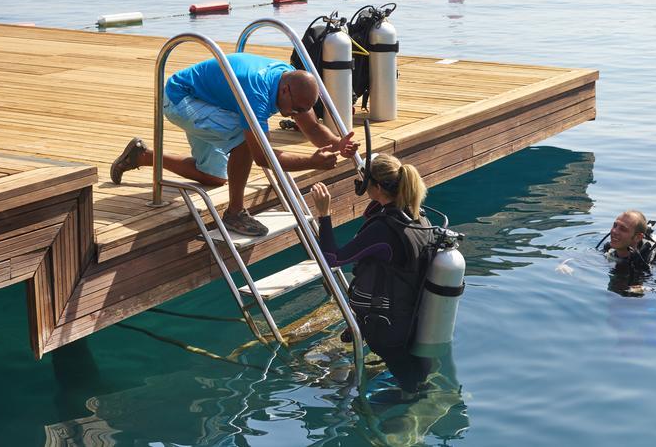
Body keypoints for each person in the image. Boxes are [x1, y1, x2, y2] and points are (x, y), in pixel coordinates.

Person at [110, 52, 357, 236]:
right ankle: (235, 213)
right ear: (284, 92)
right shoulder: (257, 93)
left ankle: (142, 156)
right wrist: (311, 162)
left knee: (213, 176)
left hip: (211, 100)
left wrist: (338, 143)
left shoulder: (289, 83)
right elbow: (262, 157)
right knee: (244, 142)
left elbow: (312, 128)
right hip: (181, 99)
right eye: (297, 109)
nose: (297, 115)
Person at [310, 153, 433, 394]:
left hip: (389, 330)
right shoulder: (417, 217)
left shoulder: (383, 230)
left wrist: (324, 214)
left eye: (365, 181)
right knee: (414, 376)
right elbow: (374, 207)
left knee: (412, 391)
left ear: (376, 187)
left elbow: (332, 259)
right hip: (413, 319)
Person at [601, 210, 656, 294]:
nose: (614, 231)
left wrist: (642, 289)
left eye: (623, 229)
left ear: (638, 237)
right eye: (615, 225)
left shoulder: (643, 265)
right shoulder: (608, 250)